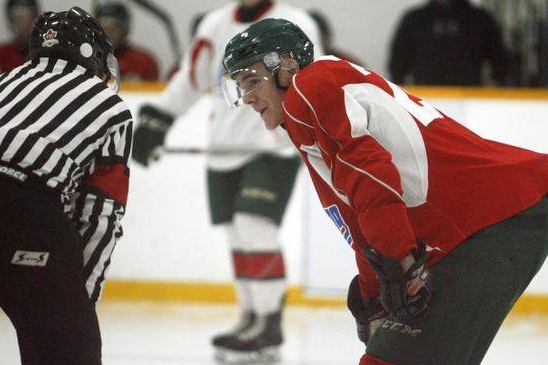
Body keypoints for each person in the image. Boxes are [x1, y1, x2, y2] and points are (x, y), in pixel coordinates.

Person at [221, 18, 548, 365]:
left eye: (253, 81)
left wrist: (397, 261)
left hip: (492, 217)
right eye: (240, 87)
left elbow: (372, 178)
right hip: (495, 216)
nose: (248, 98)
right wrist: (373, 293)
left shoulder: (308, 90)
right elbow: (361, 210)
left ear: (287, 66)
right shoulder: (316, 100)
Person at [131, 0, 321, 362]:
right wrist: (159, 118)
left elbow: (313, 75)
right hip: (223, 146)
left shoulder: (296, 22)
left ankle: (269, 321)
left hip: (273, 144)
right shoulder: (215, 24)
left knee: (254, 225)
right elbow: (191, 76)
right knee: (237, 232)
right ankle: (249, 317)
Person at [0, 7, 132, 365]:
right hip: (23, 213)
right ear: (94, 54)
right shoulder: (110, 106)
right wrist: (77, 307)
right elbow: (100, 215)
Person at [389, 0, 510, 86]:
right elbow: (398, 60)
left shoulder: (480, 18)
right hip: (425, 97)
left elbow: (499, 58)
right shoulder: (415, 18)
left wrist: (496, 84)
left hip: (469, 98)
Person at [95, 0, 160, 81]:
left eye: (114, 27)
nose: (108, 33)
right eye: (103, 27)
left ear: (126, 30)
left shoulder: (144, 62)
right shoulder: (85, 59)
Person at [0, 0, 39, 78]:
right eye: (17, 19)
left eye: (27, 18)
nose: (23, 25)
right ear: (10, 21)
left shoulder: (47, 53)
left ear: (36, 20)